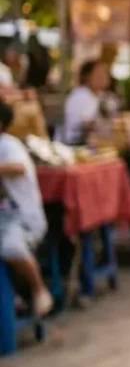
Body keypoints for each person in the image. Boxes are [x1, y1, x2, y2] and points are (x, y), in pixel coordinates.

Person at [0, 101, 51, 317]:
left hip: (25, 219)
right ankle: (13, 298)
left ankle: (39, 290)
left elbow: (18, 168)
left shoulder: (8, 144)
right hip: (6, 217)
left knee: (10, 248)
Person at [60, 60, 110, 145]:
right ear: (87, 76)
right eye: (99, 74)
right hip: (75, 145)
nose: (104, 77)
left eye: (105, 73)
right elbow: (87, 124)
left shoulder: (99, 95)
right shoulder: (80, 95)